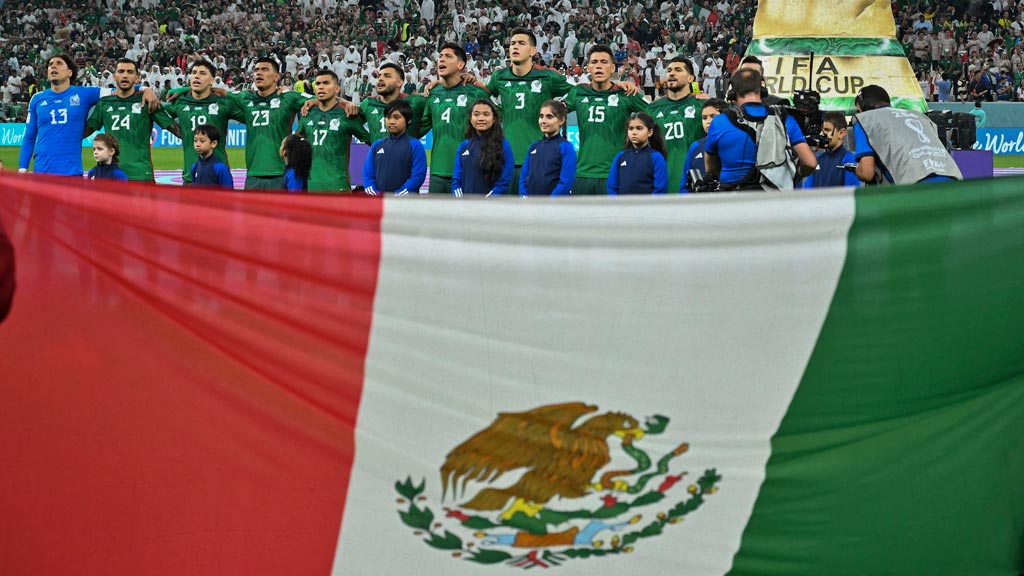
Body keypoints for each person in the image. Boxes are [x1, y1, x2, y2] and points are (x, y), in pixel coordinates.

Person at [19, 54, 158, 176]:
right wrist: (22, 169)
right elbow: (30, 136)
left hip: (71, 172)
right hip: (41, 172)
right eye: (50, 65)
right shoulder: (37, 99)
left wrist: (145, 89)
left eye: (59, 64)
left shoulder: (84, 94)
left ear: (69, 73)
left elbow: (121, 89)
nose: (53, 66)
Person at [485, 28, 574, 195]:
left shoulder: (547, 76)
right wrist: (499, 112)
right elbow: (481, 97)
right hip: (506, 160)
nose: (515, 47)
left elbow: (578, 92)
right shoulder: (499, 77)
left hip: (539, 159)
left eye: (521, 43)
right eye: (512, 44)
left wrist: (561, 108)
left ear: (533, 50)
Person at [705, 68, 817, 191]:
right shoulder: (784, 119)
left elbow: (710, 168)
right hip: (773, 201)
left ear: (732, 93)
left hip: (733, 201)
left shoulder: (719, 122)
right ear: (762, 89)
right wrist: (793, 177)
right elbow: (810, 163)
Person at [564, 45, 648, 195]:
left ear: (612, 68)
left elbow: (656, 114)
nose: (599, 66)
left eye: (604, 62)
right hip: (582, 174)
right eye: (594, 62)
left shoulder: (625, 93)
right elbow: (554, 111)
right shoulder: (577, 92)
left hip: (616, 174)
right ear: (588, 68)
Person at [84, 58, 179, 182]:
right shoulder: (104, 104)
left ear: (137, 77)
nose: (125, 75)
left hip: (141, 175)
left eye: (130, 72)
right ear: (114, 76)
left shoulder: (148, 102)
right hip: (111, 176)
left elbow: (178, 131)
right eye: (121, 71)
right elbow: (85, 132)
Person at [230, 57, 317, 190]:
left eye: (264, 69)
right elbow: (216, 93)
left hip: (280, 174)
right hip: (253, 176)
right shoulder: (245, 98)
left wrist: (345, 103)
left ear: (276, 76)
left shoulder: (287, 97)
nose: (259, 73)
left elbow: (323, 99)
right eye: (256, 70)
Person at [852, 84, 962, 184]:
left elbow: (867, 173)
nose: (859, 114)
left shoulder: (865, 120)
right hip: (953, 180)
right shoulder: (921, 116)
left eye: (859, 110)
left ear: (866, 105)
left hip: (915, 186)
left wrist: (857, 170)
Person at [419, 43, 490, 195]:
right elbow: (419, 128)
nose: (441, 60)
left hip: (468, 171)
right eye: (440, 57)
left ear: (461, 64)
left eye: (448, 56)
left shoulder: (475, 93)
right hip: (437, 172)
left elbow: (498, 119)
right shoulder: (432, 93)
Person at [162, 59, 246, 184]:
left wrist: (227, 93)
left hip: (217, 178)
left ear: (212, 80)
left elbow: (250, 113)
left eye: (202, 73)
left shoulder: (224, 102)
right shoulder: (180, 101)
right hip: (190, 179)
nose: (196, 75)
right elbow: (155, 110)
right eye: (194, 72)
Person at [295, 69, 371, 192]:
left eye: (326, 83)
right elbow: (294, 144)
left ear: (337, 89)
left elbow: (373, 142)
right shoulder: (307, 114)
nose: (321, 87)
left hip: (338, 188)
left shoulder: (347, 115)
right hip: (310, 188)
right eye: (318, 84)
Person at [650, 56, 707, 194]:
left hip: (695, 185)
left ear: (690, 78)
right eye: (669, 70)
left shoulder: (703, 107)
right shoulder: (652, 109)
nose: (671, 73)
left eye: (678, 70)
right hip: (661, 186)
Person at [362, 99, 428, 196]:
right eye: (388, 117)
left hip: (405, 205)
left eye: (397, 118)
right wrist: (375, 194)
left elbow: (418, 176)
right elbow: (368, 174)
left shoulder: (415, 146)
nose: (391, 122)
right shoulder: (377, 145)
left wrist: (397, 196)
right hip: (379, 204)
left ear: (408, 120)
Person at [451, 99, 514, 196]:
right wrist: (461, 200)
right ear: (471, 119)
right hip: (466, 207)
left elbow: (504, 181)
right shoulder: (463, 146)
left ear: (494, 119)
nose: (481, 118)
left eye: (486, 114)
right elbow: (456, 181)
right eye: (476, 114)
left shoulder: (504, 146)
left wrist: (488, 200)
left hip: (492, 206)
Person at [519, 99, 576, 197]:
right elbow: (523, 178)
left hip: (555, 208)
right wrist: (524, 197)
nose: (543, 121)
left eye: (549, 117)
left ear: (561, 120)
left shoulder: (566, 147)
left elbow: (566, 182)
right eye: (541, 116)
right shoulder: (534, 146)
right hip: (531, 207)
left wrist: (550, 202)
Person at [359, 62, 427, 144]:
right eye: (379, 76)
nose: (380, 79)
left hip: (406, 155)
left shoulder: (415, 102)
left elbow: (435, 110)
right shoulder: (368, 103)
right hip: (378, 156)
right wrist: (371, 141)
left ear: (399, 82)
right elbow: (351, 123)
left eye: (387, 76)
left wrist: (415, 134)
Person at [607, 112, 668, 195]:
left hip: (647, 207)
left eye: (639, 128)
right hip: (622, 207)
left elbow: (660, 189)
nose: (634, 132)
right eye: (631, 128)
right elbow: (612, 187)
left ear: (650, 132)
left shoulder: (656, 157)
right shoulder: (620, 157)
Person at [800, 111, 860, 188]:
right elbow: (808, 191)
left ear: (841, 133)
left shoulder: (850, 160)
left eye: (827, 130)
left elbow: (850, 193)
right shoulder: (816, 160)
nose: (822, 134)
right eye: (821, 130)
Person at [681, 98, 728, 193]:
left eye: (713, 116)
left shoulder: (732, 145)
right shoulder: (695, 146)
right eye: (704, 118)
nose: (708, 121)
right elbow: (684, 183)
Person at [190, 124, 234, 189]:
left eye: (202, 141)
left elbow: (229, 194)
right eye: (195, 140)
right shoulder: (194, 167)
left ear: (213, 143)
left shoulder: (220, 168)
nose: (197, 144)